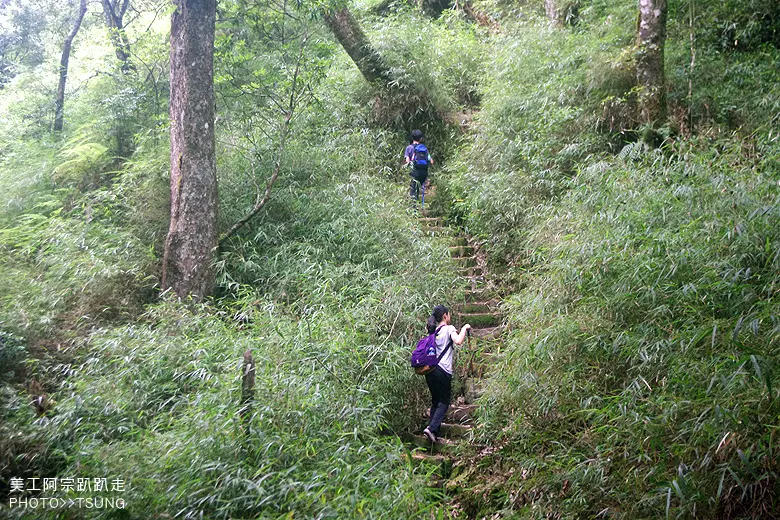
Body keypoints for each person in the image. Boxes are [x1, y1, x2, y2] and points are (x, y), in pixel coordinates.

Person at [423, 305, 471, 443]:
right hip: (443, 371)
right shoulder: (448, 329)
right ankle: (431, 429)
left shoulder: (433, 331)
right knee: (444, 402)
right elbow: (458, 341)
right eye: (448, 314)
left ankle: (433, 432)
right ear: (445, 316)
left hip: (430, 371)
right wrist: (464, 328)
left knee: (435, 401)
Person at [404, 129, 434, 202]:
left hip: (415, 172)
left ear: (412, 138)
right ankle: (421, 204)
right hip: (424, 173)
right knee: (419, 188)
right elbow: (431, 161)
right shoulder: (424, 148)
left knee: (413, 191)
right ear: (421, 139)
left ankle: (414, 209)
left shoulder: (409, 148)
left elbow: (407, 161)